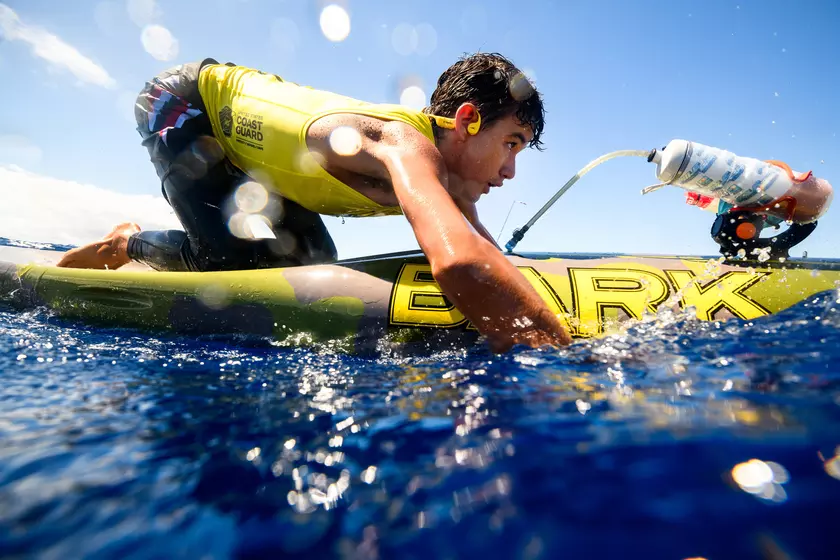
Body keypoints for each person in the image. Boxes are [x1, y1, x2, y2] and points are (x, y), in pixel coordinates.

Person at [56, 53, 571, 352]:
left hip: (254, 152)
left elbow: (482, 251)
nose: (510, 170)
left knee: (313, 266)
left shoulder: (451, 185)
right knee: (224, 268)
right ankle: (126, 243)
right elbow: (458, 263)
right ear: (466, 121)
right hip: (184, 105)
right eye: (511, 144)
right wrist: (559, 357)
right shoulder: (404, 145)